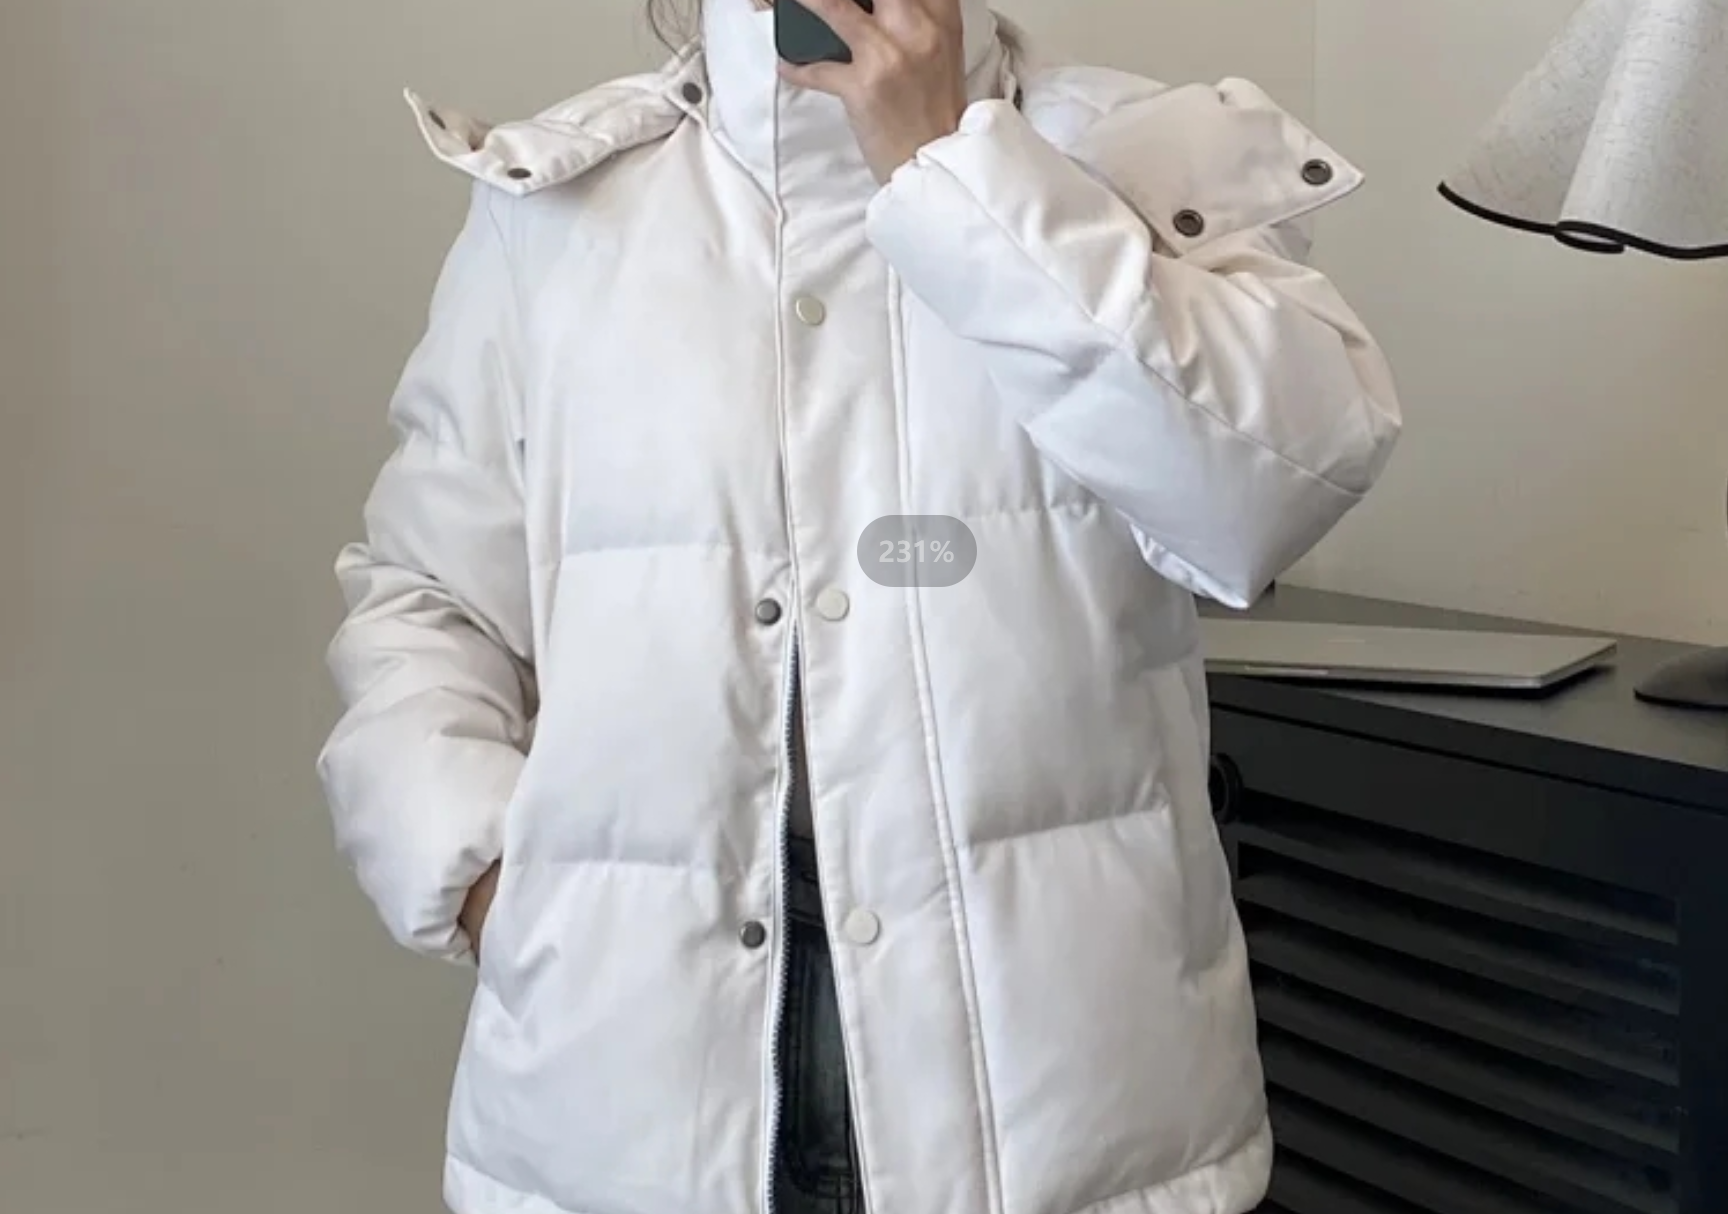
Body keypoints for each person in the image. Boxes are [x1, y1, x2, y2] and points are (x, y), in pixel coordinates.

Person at [316, 0, 1402, 1212]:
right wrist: (486, 879)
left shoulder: (1135, 156)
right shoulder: (558, 208)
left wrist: (951, 168)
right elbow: (427, 594)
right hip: (627, 1077)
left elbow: (1262, 495)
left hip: (1063, 1093)